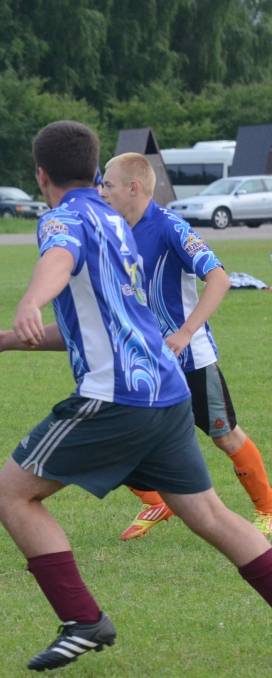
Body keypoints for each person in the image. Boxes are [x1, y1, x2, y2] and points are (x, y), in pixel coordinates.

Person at [0, 121, 272, 671]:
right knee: (211, 514)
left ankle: (83, 620)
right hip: (166, 392)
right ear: (94, 170)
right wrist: (10, 340)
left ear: (41, 175)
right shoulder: (114, 219)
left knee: (11, 495)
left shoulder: (62, 218)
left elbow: (58, 259)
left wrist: (31, 300)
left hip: (117, 398)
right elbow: (99, 324)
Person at [100, 152, 272, 540]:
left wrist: (185, 332)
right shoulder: (115, 231)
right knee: (114, 431)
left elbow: (219, 279)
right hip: (144, 359)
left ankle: (267, 508)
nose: (102, 192)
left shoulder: (171, 227)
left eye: (108, 185)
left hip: (190, 357)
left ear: (133, 187)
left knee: (224, 434)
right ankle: (155, 501)